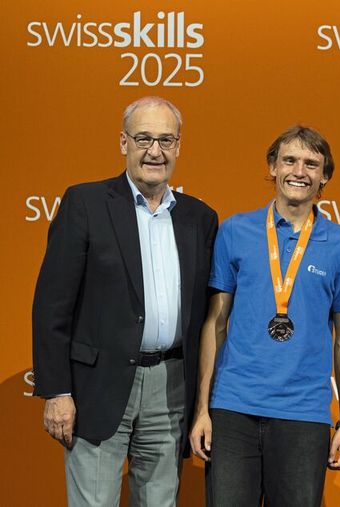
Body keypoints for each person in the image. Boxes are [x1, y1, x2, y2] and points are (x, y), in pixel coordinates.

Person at [32, 96, 218, 506]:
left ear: (179, 146)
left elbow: (206, 316)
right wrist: (57, 391)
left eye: (166, 140)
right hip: (97, 387)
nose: (156, 151)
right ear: (123, 143)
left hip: (170, 387)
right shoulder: (86, 204)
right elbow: (51, 304)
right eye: (144, 138)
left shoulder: (200, 218)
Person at [190, 125, 340, 506]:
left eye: (311, 164)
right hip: (234, 409)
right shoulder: (235, 230)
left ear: (325, 177)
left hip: (304, 414)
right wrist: (202, 409)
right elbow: (215, 324)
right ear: (272, 166)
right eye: (289, 160)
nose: (299, 171)